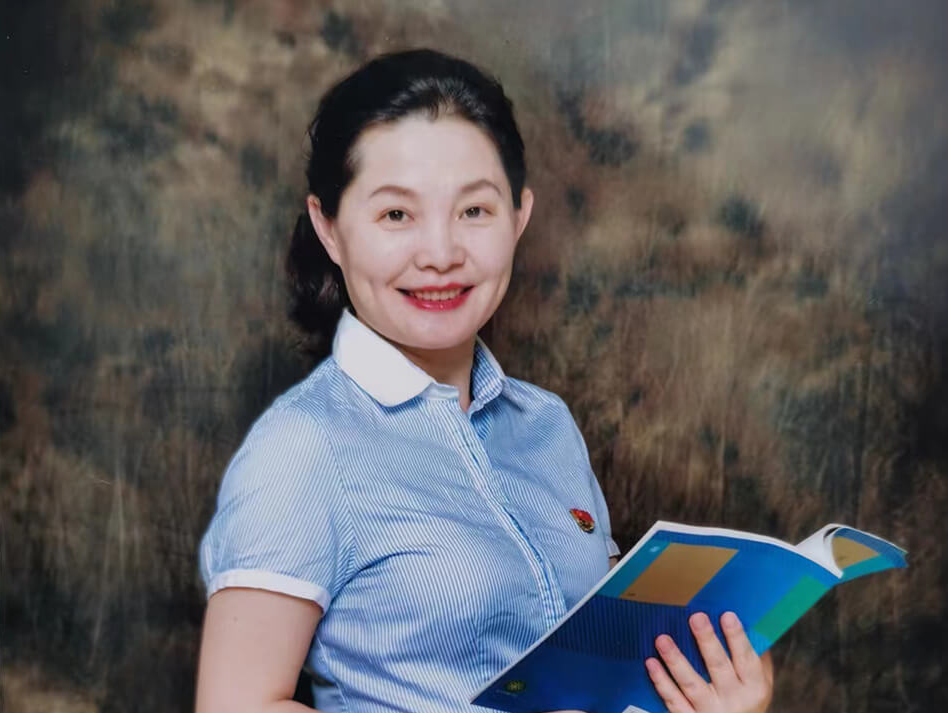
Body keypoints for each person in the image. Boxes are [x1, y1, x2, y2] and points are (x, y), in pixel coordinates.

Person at [194, 48, 774, 713]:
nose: (441, 254)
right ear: (329, 228)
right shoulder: (302, 448)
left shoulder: (547, 424)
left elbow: (609, 672)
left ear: (519, 216)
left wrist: (715, 693)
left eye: (474, 211)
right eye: (396, 215)